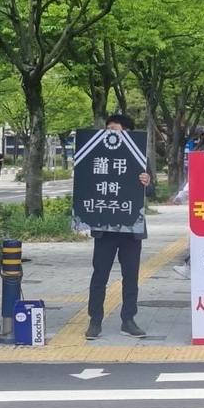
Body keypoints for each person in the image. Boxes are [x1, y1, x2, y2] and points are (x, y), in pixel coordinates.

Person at [86, 113, 152, 340]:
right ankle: (95, 321)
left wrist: (147, 182)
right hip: (105, 228)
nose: (110, 134)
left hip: (132, 228)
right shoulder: (97, 155)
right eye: (108, 130)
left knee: (131, 276)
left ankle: (128, 319)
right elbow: (87, 185)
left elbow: (152, 192)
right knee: (100, 275)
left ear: (127, 132)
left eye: (114, 130)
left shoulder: (139, 156)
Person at [172, 126, 204, 279]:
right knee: (202, 236)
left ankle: (192, 266)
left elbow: (196, 178)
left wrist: (181, 196)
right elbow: (194, 178)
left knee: (201, 236)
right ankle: (194, 265)